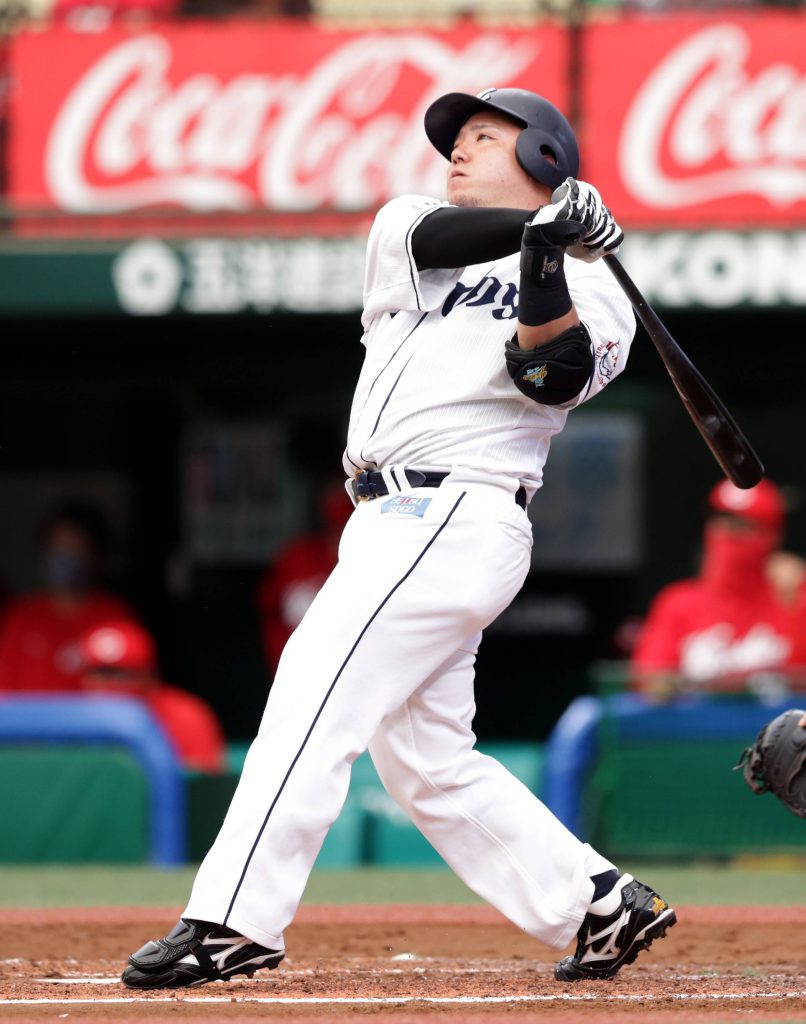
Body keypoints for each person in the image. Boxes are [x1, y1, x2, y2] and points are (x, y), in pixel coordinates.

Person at [122, 86, 675, 990]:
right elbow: (442, 241)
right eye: (455, 139)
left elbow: (547, 374)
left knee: (310, 694)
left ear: (545, 159)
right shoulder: (410, 224)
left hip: (456, 511)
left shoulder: (597, 284)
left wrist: (552, 254)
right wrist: (539, 232)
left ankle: (232, 921)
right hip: (386, 519)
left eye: (486, 138)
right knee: (426, 762)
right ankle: (597, 903)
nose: (456, 151)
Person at [631, 478, 806, 698]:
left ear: (771, 535)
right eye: (720, 521)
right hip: (698, 731)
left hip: (775, 730)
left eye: (740, 527)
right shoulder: (678, 602)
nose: (725, 534)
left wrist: (797, 607)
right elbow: (649, 687)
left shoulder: (793, 598)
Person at [0, 503, 138, 693]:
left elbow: (136, 689)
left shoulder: (114, 615)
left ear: (94, 554)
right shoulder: (23, 616)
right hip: (30, 722)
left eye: (75, 546)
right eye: (58, 546)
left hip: (93, 722)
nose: (65, 555)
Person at [76, 619, 226, 773]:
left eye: (117, 673)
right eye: (95, 673)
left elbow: (205, 779)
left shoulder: (185, 714)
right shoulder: (72, 717)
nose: (103, 683)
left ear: (149, 675)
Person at [255, 478, 355, 678]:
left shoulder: (373, 559)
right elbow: (271, 612)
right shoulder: (296, 558)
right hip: (299, 672)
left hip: (352, 673)